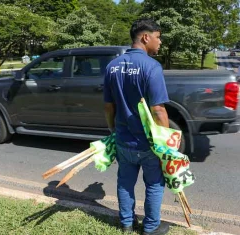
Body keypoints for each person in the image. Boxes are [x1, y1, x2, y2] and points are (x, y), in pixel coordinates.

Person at [103, 18, 170, 235]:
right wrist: (167, 143)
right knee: (154, 185)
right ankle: (150, 228)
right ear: (145, 37)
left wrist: (113, 130)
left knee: (125, 183)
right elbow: (158, 110)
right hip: (148, 144)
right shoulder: (152, 67)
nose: (160, 43)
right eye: (158, 37)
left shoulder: (112, 67)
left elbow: (108, 107)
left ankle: (126, 224)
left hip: (124, 140)